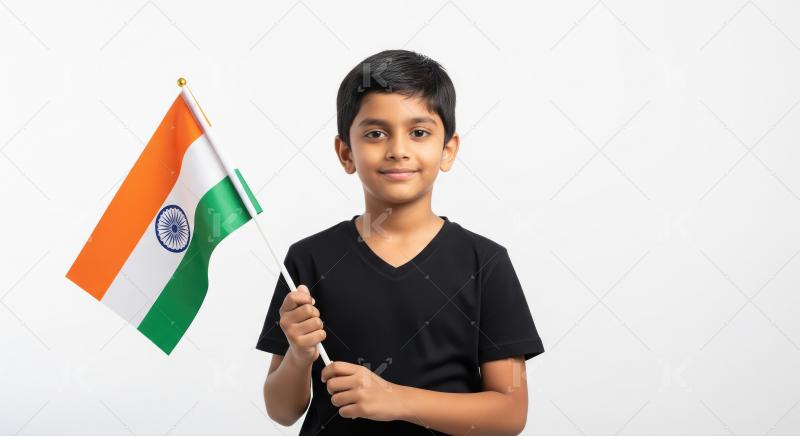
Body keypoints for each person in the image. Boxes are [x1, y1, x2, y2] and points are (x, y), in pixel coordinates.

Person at [255, 49, 544, 435]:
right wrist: (299, 355)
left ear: (448, 149)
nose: (398, 149)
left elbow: (510, 413)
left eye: (419, 132)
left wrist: (396, 399)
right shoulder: (309, 260)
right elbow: (282, 410)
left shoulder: (485, 263)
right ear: (345, 153)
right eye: (375, 133)